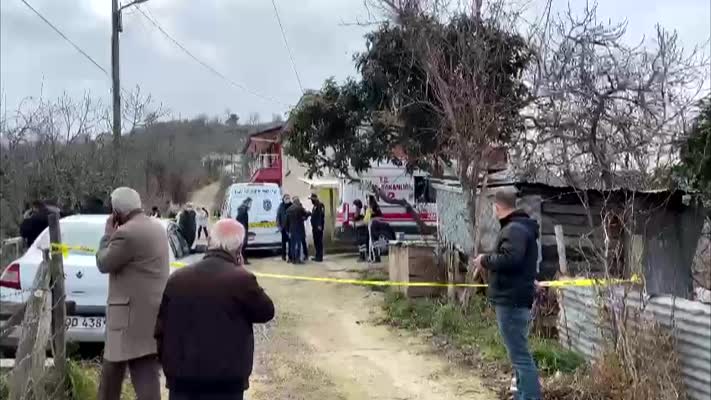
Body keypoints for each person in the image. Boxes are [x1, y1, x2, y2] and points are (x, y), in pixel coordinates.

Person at [155, 219, 274, 400]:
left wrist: (166, 362)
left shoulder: (177, 279)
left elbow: (161, 327)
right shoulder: (241, 279)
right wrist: (240, 269)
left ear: (210, 241)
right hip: (226, 380)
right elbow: (266, 311)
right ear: (239, 248)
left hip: (182, 378)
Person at [95, 187, 170, 400]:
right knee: (146, 369)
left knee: (111, 379)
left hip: (126, 319)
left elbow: (103, 262)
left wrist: (107, 235)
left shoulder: (126, 234)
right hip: (152, 314)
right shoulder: (156, 228)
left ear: (117, 212)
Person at [473, 190, 541, 400]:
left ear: (498, 207)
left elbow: (510, 260)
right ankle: (522, 394)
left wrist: (485, 260)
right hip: (515, 299)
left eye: (493, 207)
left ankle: (529, 396)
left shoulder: (514, 230)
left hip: (511, 301)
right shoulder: (519, 228)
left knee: (520, 356)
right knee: (517, 354)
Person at [285, 197, 309, 264]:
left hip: (292, 230)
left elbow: (286, 222)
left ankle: (293, 260)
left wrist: (288, 231)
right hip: (299, 230)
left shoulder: (288, 210)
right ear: (297, 202)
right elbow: (305, 214)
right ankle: (298, 259)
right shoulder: (299, 208)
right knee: (298, 245)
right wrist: (308, 214)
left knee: (292, 246)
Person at [309, 194, 325, 262]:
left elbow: (320, 216)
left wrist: (319, 225)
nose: (311, 201)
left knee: (319, 242)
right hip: (314, 227)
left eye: (312, 199)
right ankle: (317, 255)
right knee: (316, 241)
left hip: (318, 227)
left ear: (315, 198)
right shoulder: (315, 206)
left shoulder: (320, 205)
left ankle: (320, 257)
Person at [236, 198, 252, 265]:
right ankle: (243, 260)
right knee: (243, 245)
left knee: (243, 245)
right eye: (250, 203)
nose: (250, 205)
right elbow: (240, 219)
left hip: (243, 229)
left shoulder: (242, 209)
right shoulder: (243, 210)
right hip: (243, 229)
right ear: (247, 203)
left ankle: (241, 259)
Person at [276, 194, 292, 261]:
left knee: (290, 243)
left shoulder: (291, 205)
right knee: (283, 244)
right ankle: (283, 256)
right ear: (283, 199)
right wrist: (279, 226)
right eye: (286, 198)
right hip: (283, 228)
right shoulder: (281, 206)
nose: (287, 199)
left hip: (290, 228)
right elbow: (278, 217)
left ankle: (290, 256)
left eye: (288, 198)